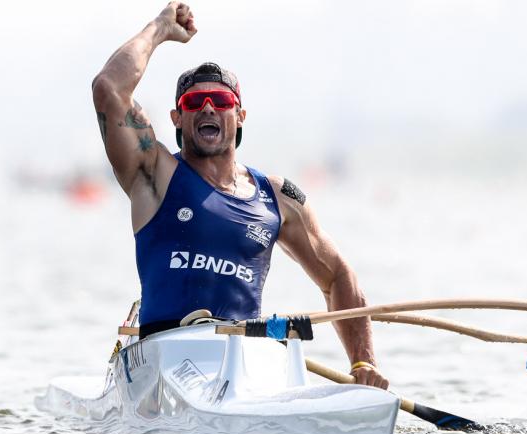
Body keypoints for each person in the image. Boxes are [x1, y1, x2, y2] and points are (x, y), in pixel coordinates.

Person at [91, 2, 388, 389]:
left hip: (244, 362)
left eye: (221, 101)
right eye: (194, 103)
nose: (209, 107)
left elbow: (338, 277)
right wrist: (160, 28)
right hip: (164, 357)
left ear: (240, 115)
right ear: (177, 119)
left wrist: (362, 363)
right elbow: (109, 89)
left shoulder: (279, 198)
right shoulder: (155, 174)